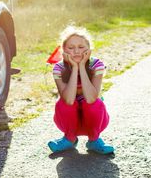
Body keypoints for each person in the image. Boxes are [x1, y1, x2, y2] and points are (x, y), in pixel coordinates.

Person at [47, 26, 114, 155]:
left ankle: (94, 140)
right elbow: (68, 99)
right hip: (69, 121)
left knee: (95, 103)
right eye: (71, 48)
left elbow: (91, 98)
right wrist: (74, 67)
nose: (76, 51)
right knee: (63, 103)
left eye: (81, 47)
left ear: (89, 49)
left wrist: (82, 66)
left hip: (94, 119)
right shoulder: (59, 68)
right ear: (64, 51)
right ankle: (69, 139)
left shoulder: (97, 65)